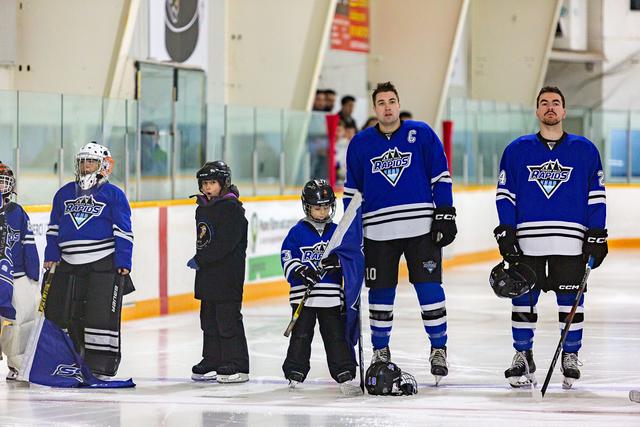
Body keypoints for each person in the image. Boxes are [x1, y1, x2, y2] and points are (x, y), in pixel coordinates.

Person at [341, 82, 457, 385]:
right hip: (377, 231)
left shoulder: (422, 133)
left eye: (392, 101)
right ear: (374, 108)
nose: (387, 107)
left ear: (398, 103)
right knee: (381, 293)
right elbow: (352, 192)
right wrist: (350, 231)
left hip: (421, 228)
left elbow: (440, 176)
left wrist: (445, 213)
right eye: (381, 103)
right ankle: (380, 350)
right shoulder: (360, 143)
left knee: (429, 289)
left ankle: (438, 348)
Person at [494, 86, 608, 389]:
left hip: (570, 243)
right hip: (528, 242)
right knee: (522, 300)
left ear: (564, 111)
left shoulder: (585, 150)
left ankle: (569, 355)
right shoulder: (517, 150)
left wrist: (597, 233)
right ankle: (522, 354)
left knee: (571, 303)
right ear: (537, 111)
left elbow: (596, 197)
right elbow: (505, 195)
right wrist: (507, 230)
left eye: (556, 103)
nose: (550, 107)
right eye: (544, 103)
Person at [43, 142, 134, 378]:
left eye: (91, 161)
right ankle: (70, 358)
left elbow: (123, 230)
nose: (85, 166)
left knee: (99, 315)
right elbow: (53, 228)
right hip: (68, 263)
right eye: (82, 161)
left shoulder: (113, 194)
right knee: (67, 313)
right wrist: (51, 254)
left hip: (102, 262)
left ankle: (100, 364)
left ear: (104, 165)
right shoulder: (64, 193)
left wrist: (123, 260)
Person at [187, 161, 250, 383]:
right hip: (208, 275)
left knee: (227, 320)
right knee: (208, 320)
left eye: (212, 183)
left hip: (227, 276)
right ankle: (212, 359)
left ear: (224, 183)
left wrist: (200, 259)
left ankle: (237, 363)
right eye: (204, 183)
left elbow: (225, 243)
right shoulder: (202, 208)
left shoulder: (233, 209)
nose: (207, 187)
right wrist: (202, 260)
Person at [0, 162, 40, 381]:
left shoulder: (17, 212)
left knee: (22, 322)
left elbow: (28, 243)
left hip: (17, 276)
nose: (1, 186)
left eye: (3, 182)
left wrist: (33, 272)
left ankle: (17, 364)